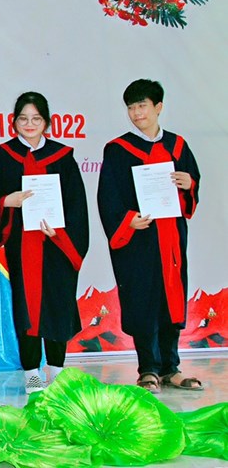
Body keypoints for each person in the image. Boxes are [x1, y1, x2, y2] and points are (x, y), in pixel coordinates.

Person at [98, 79, 201, 393]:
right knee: (143, 300)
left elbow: (191, 186)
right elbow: (108, 196)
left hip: (170, 239)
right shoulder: (118, 150)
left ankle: (171, 368)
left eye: (142, 105)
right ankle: (148, 369)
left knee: (171, 300)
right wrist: (127, 220)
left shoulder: (178, 146)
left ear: (158, 107)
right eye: (131, 107)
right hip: (139, 240)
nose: (136, 113)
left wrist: (189, 184)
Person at [0, 91, 89, 394]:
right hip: (22, 245)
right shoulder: (3, 156)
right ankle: (31, 372)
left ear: (46, 122)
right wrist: (6, 201)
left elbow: (76, 205)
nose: (29, 124)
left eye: (36, 118)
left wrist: (60, 233)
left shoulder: (62, 157)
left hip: (57, 243)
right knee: (26, 306)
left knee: (57, 302)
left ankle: (57, 370)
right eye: (23, 118)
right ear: (14, 122)